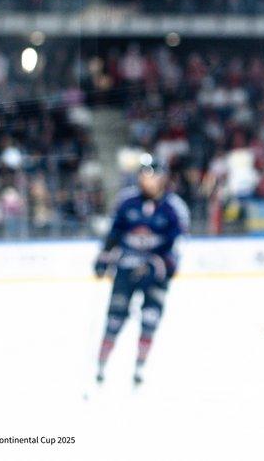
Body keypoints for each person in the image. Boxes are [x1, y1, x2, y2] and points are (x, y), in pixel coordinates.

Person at [93, 154, 189, 386]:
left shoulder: (174, 208)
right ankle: (101, 366)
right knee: (114, 319)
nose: (148, 181)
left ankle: (139, 367)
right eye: (144, 176)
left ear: (163, 178)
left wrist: (159, 265)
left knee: (150, 319)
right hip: (126, 269)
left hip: (155, 274)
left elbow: (177, 246)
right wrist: (103, 258)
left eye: (153, 176)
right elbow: (113, 234)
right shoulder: (126, 201)